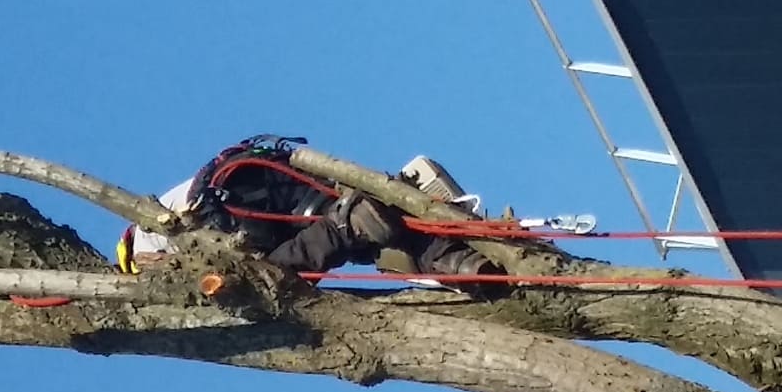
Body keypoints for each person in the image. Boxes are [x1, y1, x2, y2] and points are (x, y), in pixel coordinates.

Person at [116, 135, 503, 287]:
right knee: (369, 235)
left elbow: (168, 264)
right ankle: (455, 260)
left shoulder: (137, 259)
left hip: (237, 202)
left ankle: (354, 224)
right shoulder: (146, 223)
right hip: (261, 181)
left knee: (268, 279)